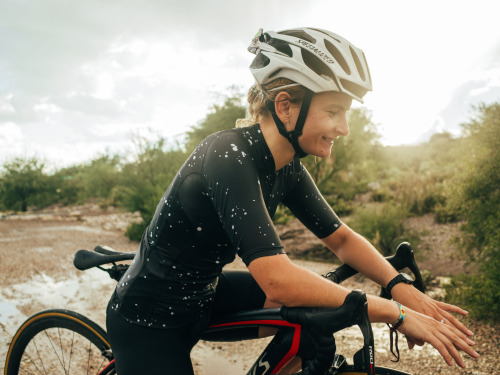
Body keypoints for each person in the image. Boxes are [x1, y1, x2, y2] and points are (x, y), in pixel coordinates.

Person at [106, 27, 479, 374]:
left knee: (316, 325)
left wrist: (399, 284)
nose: (344, 128)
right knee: (310, 298)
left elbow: (341, 239)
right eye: (334, 111)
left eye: (345, 113)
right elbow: (278, 281)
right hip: (149, 318)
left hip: (207, 294)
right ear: (285, 107)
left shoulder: (287, 167)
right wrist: (394, 313)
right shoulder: (227, 155)